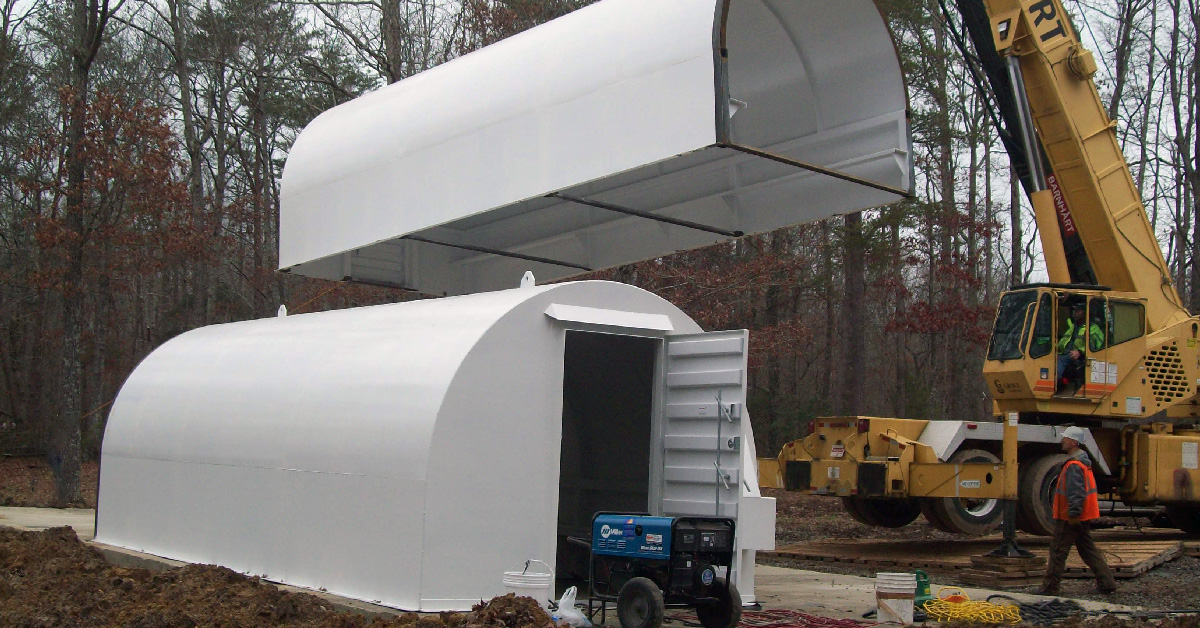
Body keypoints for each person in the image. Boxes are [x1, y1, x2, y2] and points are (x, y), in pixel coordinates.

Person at [1039, 426, 1117, 596]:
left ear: (1074, 442)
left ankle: (1049, 588)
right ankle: (1107, 583)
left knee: (1058, 550)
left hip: (1071, 517)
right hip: (1082, 516)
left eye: (1065, 438)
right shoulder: (1083, 463)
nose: (1062, 441)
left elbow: (1076, 493)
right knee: (1088, 550)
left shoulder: (1074, 465)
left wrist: (1073, 514)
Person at [1056, 303, 1103, 387]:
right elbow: (1063, 341)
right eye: (1074, 311)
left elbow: (1095, 347)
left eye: (1078, 311)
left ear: (1085, 313)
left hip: (1080, 357)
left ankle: (1054, 383)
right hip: (1066, 353)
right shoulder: (1074, 326)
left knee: (1060, 360)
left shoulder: (1093, 328)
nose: (1074, 313)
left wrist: (1080, 352)